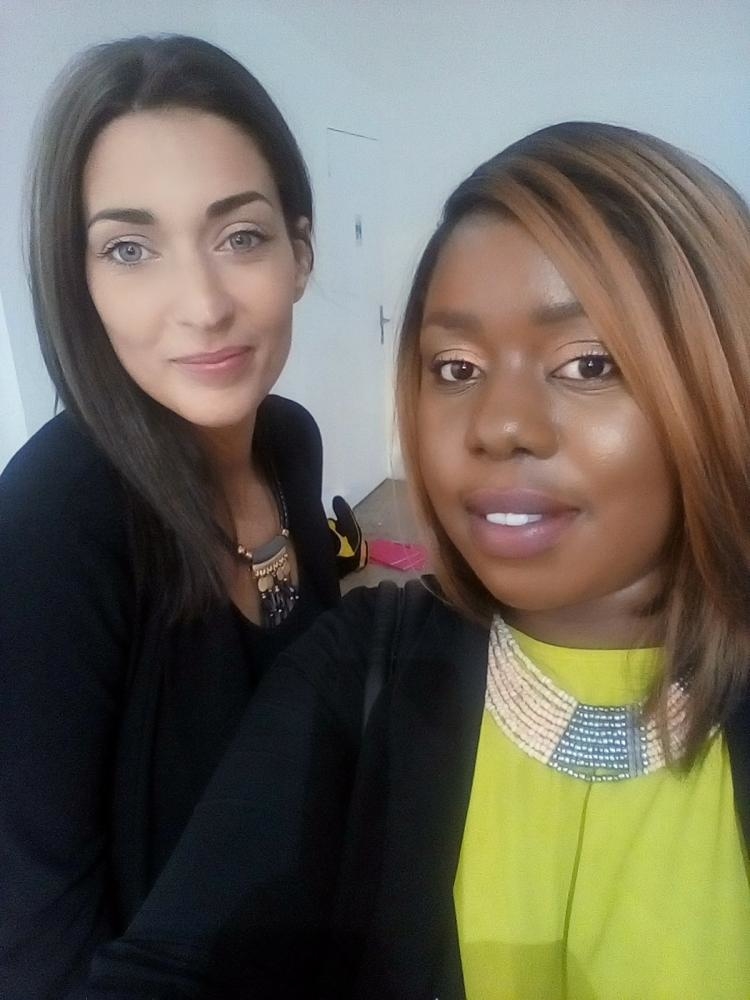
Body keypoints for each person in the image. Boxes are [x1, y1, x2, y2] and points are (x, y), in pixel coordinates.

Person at [65, 123, 750, 997]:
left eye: (588, 362)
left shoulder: (287, 445)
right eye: (455, 368)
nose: (498, 425)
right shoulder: (360, 671)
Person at [0, 34, 351, 999]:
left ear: (300, 252)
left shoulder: (290, 443)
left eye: (241, 237)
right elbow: (38, 953)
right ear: (79, 283)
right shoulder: (51, 528)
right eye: (130, 249)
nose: (201, 306)